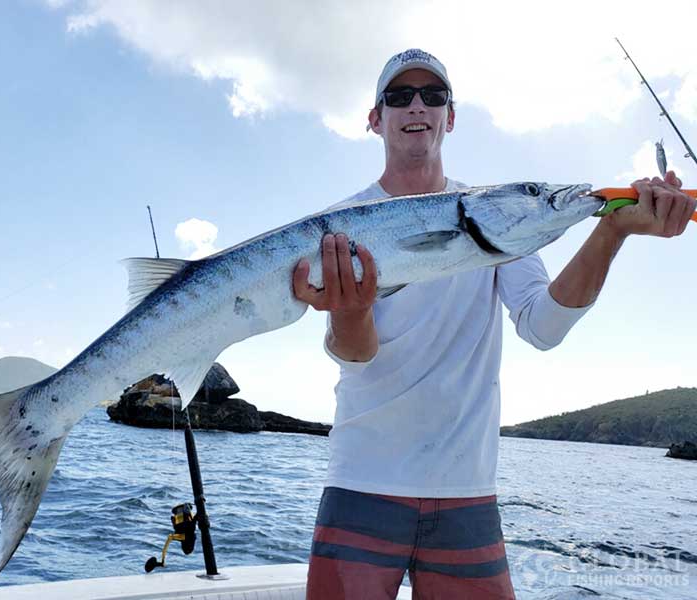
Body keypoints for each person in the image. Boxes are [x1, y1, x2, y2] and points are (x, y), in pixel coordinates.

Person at [292, 48, 696, 600]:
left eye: (433, 96)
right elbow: (355, 354)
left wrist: (611, 232)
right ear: (375, 118)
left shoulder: (499, 216)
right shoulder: (341, 228)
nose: (417, 106)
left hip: (467, 492)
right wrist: (352, 309)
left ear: (450, 118)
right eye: (399, 95)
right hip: (362, 483)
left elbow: (543, 326)